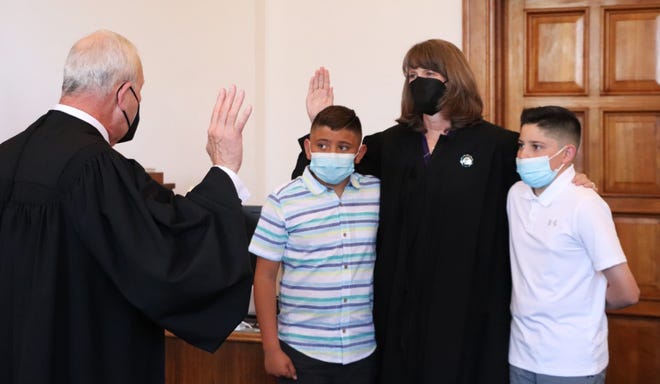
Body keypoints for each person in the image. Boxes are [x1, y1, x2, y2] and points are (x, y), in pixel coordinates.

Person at [294, 40, 594, 383]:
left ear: (454, 79)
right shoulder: (391, 144)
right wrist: (318, 122)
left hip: (468, 302)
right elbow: (322, 174)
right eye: (411, 74)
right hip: (400, 303)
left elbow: (542, 175)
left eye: (428, 73)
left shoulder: (495, 145)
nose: (418, 81)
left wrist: (572, 180)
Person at [0, 30, 254, 384]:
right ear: (125, 94)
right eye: (141, 93)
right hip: (83, 365)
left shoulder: (6, 156)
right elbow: (170, 254)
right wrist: (224, 169)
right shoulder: (96, 168)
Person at [508, 106, 639, 384]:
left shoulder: (585, 204)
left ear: (566, 154)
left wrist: (583, 302)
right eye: (521, 145)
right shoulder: (515, 195)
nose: (523, 155)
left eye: (536, 147)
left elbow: (627, 293)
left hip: (572, 362)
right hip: (520, 354)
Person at [251, 105, 380, 383]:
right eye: (323, 145)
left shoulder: (377, 194)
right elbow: (264, 277)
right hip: (302, 353)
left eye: (344, 147)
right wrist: (270, 348)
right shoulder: (282, 200)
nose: (332, 154)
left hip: (363, 352)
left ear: (359, 154)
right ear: (308, 149)